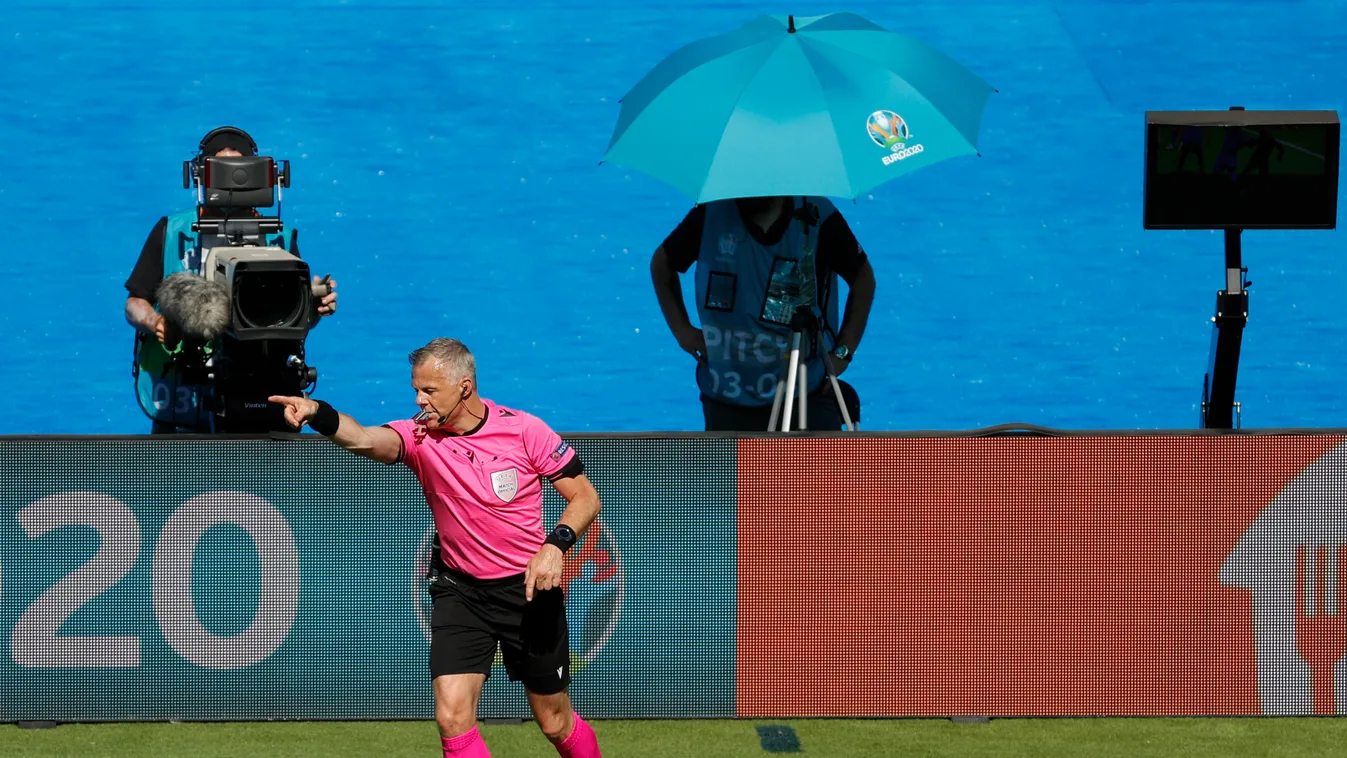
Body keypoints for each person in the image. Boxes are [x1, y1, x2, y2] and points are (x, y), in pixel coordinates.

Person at [269, 338, 604, 758]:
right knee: (451, 717)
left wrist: (555, 546)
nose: (419, 399)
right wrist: (317, 412)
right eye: (416, 389)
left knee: (554, 722)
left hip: (528, 594)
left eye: (429, 390)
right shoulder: (419, 437)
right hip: (460, 592)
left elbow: (586, 498)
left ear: (464, 387)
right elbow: (363, 439)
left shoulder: (523, 430)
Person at [124, 125, 338, 433]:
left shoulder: (279, 236)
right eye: (221, 167)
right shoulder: (171, 230)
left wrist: (314, 310)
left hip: (260, 385)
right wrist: (154, 322)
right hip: (184, 390)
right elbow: (134, 301)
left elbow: (290, 322)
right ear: (200, 174)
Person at [650, 195, 876, 431]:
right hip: (725, 396)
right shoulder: (710, 213)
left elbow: (863, 278)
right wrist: (681, 330)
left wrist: (843, 353)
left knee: (813, 470)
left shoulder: (816, 215)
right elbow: (661, 263)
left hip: (805, 394)